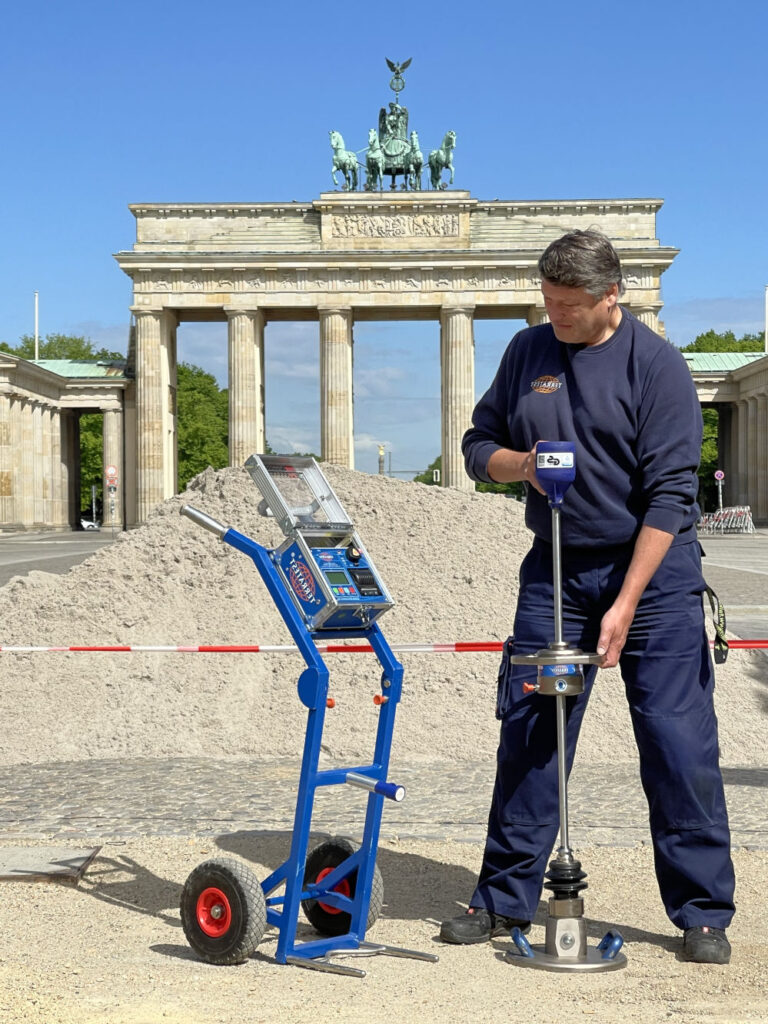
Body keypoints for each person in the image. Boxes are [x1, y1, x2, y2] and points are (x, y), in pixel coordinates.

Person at [440, 229, 735, 965]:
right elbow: (478, 445)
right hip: (556, 574)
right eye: (547, 301)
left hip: (655, 578)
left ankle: (701, 909)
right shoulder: (526, 353)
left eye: (570, 304)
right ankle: (502, 894)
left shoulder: (657, 367)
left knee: (676, 740)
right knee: (535, 732)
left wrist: (627, 601)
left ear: (613, 297)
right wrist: (523, 465)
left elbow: (673, 499)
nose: (556, 316)